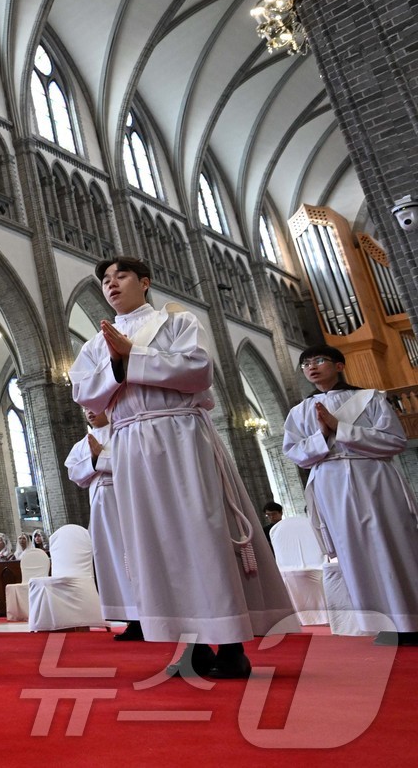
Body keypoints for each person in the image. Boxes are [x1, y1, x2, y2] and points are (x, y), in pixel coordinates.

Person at [70, 255, 293, 678]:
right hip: (131, 440)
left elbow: (197, 370)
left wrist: (130, 359)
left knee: (200, 531)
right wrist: (118, 364)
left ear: (146, 282)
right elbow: (85, 394)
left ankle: (230, 644)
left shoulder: (177, 322)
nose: (111, 284)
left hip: (178, 434)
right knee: (155, 540)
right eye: (105, 281)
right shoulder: (92, 345)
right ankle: (189, 645)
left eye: (121, 276)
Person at [282, 344, 418, 646]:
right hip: (330, 483)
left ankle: (411, 619)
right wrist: (323, 436)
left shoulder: (370, 398)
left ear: (339, 365)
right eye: (305, 364)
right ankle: (380, 623)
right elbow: (294, 452)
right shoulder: (299, 411)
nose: (311, 367)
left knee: (392, 543)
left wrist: (340, 429)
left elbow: (394, 440)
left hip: (372, 477)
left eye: (319, 360)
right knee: (353, 552)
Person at [65, 409, 141, 641]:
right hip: (100, 506)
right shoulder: (81, 444)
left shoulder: (124, 432)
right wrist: (95, 459)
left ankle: (149, 613)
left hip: (126, 500)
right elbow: (74, 472)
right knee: (112, 558)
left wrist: (99, 458)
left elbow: (134, 459)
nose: (89, 412)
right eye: (85, 408)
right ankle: (132, 618)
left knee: (135, 555)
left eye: (95, 406)